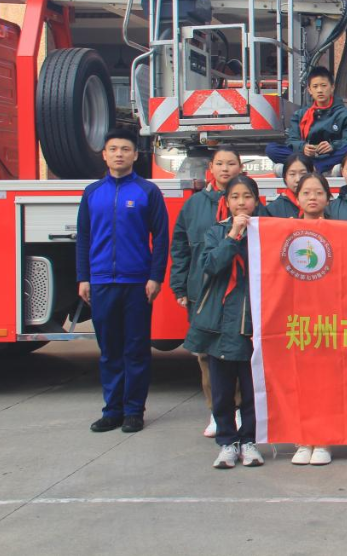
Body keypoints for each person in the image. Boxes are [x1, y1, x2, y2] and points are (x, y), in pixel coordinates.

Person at [77, 129, 169, 434]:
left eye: (125, 149)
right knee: (109, 351)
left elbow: (161, 238)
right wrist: (84, 278)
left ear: (135, 155)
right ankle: (112, 411)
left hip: (137, 283)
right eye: (113, 149)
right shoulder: (92, 193)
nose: (119, 154)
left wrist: (155, 277)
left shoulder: (147, 192)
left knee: (136, 350)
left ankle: (133, 411)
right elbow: (84, 238)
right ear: (104, 155)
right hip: (102, 282)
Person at [183, 175, 264, 469]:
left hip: (251, 321)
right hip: (218, 322)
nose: (241, 202)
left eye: (247, 196)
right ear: (226, 202)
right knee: (222, 390)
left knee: (252, 389)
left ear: (257, 200)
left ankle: (249, 440)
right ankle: (227, 442)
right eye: (235, 197)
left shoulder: (265, 231)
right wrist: (233, 236)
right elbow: (211, 265)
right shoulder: (216, 232)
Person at [171, 146, 244, 438]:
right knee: (206, 353)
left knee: (239, 350)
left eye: (231, 163)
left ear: (240, 167)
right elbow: (180, 247)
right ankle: (217, 410)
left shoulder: (247, 201)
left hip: (239, 291)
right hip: (202, 289)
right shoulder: (194, 204)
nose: (225, 169)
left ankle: (239, 409)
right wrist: (179, 285)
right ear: (210, 168)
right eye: (220, 164)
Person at [289, 171, 334, 466]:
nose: (313, 198)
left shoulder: (341, 230)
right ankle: (302, 439)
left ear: (328, 198)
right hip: (296, 317)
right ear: (297, 198)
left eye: (319, 192)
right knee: (298, 380)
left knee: (327, 381)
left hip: (330, 315)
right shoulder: (285, 231)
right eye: (306, 193)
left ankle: (324, 440)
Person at [266, 66, 347, 173]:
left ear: (332, 87)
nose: (319, 90)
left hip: (330, 157)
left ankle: (313, 167)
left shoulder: (345, 115)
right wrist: (303, 147)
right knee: (271, 149)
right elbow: (292, 141)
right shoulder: (300, 115)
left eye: (323, 86)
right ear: (310, 90)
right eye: (315, 86)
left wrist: (332, 146)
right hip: (305, 157)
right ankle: (308, 165)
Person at [267, 154, 311, 218]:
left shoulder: (321, 204)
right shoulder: (273, 209)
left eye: (303, 173)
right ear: (285, 177)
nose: (298, 179)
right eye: (292, 174)